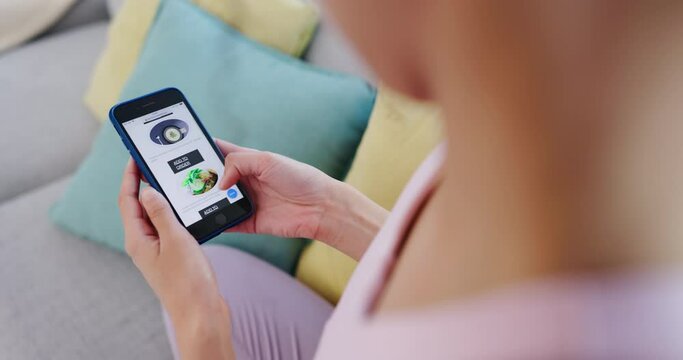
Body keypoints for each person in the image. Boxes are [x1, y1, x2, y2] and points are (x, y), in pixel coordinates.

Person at [119, 1, 683, 359]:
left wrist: (204, 334)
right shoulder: (520, 131)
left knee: (199, 292)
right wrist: (333, 211)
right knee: (217, 270)